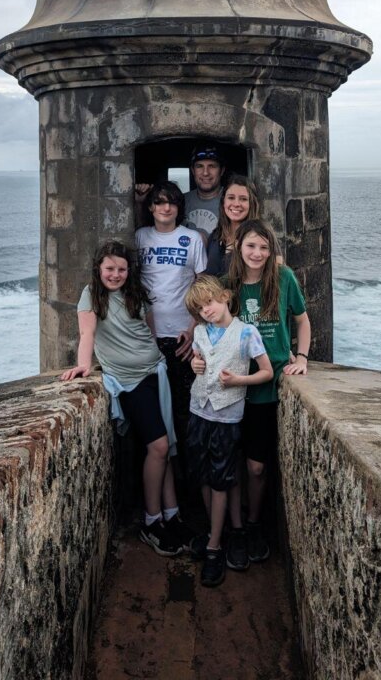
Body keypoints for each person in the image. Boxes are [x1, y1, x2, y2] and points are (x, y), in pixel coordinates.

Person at [61, 240, 193, 556]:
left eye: (121, 269)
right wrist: (83, 364)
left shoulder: (134, 294)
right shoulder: (91, 296)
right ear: (98, 269)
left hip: (155, 372)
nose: (116, 274)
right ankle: (151, 522)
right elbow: (87, 335)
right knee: (158, 446)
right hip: (129, 381)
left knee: (167, 447)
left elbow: (146, 330)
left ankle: (171, 515)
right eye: (110, 268)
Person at [224, 219, 311, 563]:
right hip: (230, 387)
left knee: (257, 467)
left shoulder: (283, 278)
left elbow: (302, 319)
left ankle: (254, 522)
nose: (257, 253)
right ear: (239, 248)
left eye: (264, 247)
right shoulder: (227, 284)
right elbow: (204, 322)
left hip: (267, 386)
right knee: (231, 463)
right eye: (251, 246)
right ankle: (235, 530)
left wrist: (301, 356)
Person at [184, 276, 273, 586]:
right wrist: (195, 364)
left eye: (209, 302)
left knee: (221, 478)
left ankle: (213, 547)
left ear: (224, 297)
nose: (206, 310)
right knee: (204, 474)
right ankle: (215, 530)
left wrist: (238, 381)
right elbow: (199, 360)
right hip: (199, 409)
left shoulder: (246, 332)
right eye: (199, 308)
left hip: (227, 414)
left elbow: (266, 372)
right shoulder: (198, 332)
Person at [135, 181, 207, 484]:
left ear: (179, 208)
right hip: (148, 339)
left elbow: (203, 287)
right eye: (160, 202)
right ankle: (165, 485)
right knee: (154, 415)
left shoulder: (191, 239)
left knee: (184, 412)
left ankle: (188, 484)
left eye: (172, 203)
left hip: (182, 340)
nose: (166, 208)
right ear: (151, 207)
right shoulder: (140, 236)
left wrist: (194, 329)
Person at [206, 174, 261, 275]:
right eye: (231, 198)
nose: (236, 204)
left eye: (243, 199)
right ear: (224, 202)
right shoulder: (214, 237)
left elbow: (278, 277)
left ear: (252, 203)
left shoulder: (263, 237)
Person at [183, 143, 226, 238]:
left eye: (212, 166)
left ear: (222, 171)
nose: (205, 173)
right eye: (199, 166)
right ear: (193, 170)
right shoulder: (180, 201)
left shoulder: (232, 201)